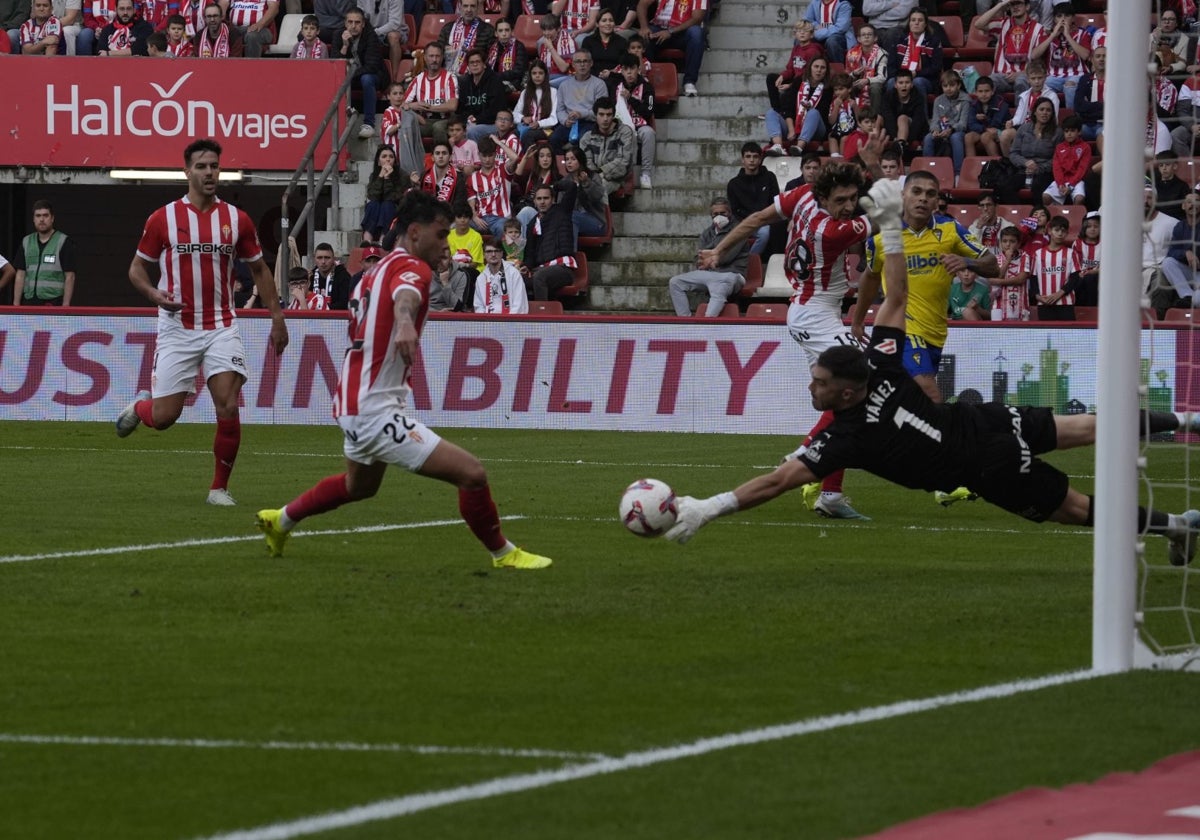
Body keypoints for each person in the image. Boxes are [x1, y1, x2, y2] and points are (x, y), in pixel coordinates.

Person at [664, 178, 1200, 571]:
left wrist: (709, 507)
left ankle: (1174, 526)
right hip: (983, 420)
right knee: (1088, 427)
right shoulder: (883, 367)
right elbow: (895, 296)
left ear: (846, 390)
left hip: (986, 466)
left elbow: (777, 481)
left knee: (1078, 509)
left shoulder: (846, 436)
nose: (813, 386)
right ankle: (1189, 419)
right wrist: (893, 226)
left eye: (820, 382)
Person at [255, 191, 552, 571]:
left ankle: (279, 521)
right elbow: (407, 295)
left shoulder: (373, 272)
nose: (446, 245)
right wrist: (407, 323)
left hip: (354, 398)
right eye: (441, 235)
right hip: (372, 408)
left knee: (359, 486)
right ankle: (503, 553)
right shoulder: (414, 268)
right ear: (415, 232)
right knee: (472, 474)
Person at [700, 157, 891, 521]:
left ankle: (831, 494)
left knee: (843, 403)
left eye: (853, 198)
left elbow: (756, 219)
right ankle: (804, 455)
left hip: (810, 311)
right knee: (869, 379)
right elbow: (890, 216)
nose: (849, 206)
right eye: (841, 200)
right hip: (815, 314)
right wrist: (884, 175)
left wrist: (718, 250)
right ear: (824, 195)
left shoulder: (801, 195)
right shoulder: (833, 230)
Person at [117, 139, 289, 507]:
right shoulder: (163, 218)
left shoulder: (235, 219)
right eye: (202, 166)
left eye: (214, 166)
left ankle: (218, 489)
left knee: (227, 404)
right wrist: (153, 294)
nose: (210, 172)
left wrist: (277, 317)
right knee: (164, 418)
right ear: (187, 172)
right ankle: (140, 409)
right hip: (177, 328)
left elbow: (259, 269)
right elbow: (136, 269)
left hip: (220, 325)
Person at [853, 169, 997, 408]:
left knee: (909, 401)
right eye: (916, 192)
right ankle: (948, 443)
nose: (923, 198)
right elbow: (870, 277)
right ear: (903, 196)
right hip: (901, 328)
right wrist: (858, 321)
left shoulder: (950, 231)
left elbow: (993, 266)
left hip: (935, 332)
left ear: (937, 201)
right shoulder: (882, 239)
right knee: (932, 395)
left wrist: (967, 261)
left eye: (930, 194)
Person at [667, 197, 749, 317]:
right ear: (711, 215)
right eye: (715, 214)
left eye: (723, 213)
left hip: (731, 274)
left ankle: (705, 325)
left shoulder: (739, 231)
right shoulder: (707, 233)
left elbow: (726, 258)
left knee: (718, 293)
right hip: (709, 273)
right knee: (675, 282)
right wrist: (706, 258)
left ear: (729, 213)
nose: (719, 216)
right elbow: (698, 258)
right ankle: (685, 322)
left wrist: (709, 254)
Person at [396, 40, 458, 161]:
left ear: (442, 58)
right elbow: (403, 105)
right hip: (424, 121)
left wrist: (428, 107)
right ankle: (412, 163)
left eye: (437, 56)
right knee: (408, 127)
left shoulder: (449, 77)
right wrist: (414, 105)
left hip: (444, 120)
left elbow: (452, 105)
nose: (434, 59)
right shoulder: (418, 79)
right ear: (424, 57)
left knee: (438, 128)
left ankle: (442, 163)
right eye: (431, 56)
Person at [521, 181, 578, 300]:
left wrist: (553, 186)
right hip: (541, 268)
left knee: (540, 277)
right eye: (539, 198)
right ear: (534, 202)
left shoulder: (562, 211)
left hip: (563, 268)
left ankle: (542, 317)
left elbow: (571, 186)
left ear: (553, 200)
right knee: (515, 279)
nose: (542, 202)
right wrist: (526, 265)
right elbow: (530, 253)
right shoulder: (532, 224)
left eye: (546, 198)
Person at [635, 0, 705, 97]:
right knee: (644, 37)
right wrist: (644, 27)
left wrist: (670, 31)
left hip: (683, 33)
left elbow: (697, 18)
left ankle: (689, 81)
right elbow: (642, 4)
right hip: (659, 27)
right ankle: (644, 79)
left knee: (697, 33)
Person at [12, 200, 76, 307]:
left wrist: (65, 306)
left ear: (52, 218)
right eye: (38, 216)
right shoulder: (26, 241)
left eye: (45, 215)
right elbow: (20, 275)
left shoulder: (63, 242)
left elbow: (70, 276)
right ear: (33, 219)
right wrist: (16, 304)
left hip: (54, 303)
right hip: (29, 302)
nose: (41, 219)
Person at [973, 0, 1044, 96]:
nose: (1015, 7)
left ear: (1027, 6)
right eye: (1012, 4)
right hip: (1001, 75)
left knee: (1021, 81)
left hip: (1024, 74)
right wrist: (1001, 4)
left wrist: (1021, 73)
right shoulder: (1003, 24)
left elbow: (1039, 60)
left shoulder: (1038, 28)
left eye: (1019, 3)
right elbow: (978, 24)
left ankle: (1021, 111)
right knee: (988, 83)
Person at [1028, 1, 1090, 109]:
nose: (1063, 19)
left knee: (1070, 87)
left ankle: (1072, 121)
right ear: (1054, 19)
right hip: (1053, 76)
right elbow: (1034, 56)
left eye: (1067, 16)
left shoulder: (1083, 34)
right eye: (1059, 16)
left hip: (1077, 75)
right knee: (1040, 86)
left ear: (1073, 18)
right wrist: (1052, 36)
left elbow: (1085, 55)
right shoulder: (1048, 35)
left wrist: (1067, 35)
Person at [767, 56, 832, 156]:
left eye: (822, 68)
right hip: (794, 125)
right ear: (810, 68)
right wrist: (791, 129)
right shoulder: (798, 82)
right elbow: (788, 108)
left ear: (826, 71)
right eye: (816, 66)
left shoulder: (828, 89)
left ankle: (799, 147)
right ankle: (778, 146)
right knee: (771, 113)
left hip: (816, 129)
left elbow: (823, 114)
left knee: (813, 112)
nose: (819, 70)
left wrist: (809, 106)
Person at [340, 7, 386, 139]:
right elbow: (334, 64)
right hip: (351, 76)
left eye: (357, 22)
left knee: (366, 79)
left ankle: (369, 124)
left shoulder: (371, 36)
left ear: (363, 24)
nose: (353, 26)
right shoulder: (339, 34)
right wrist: (344, 46)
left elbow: (371, 66)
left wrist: (349, 75)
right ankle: (338, 122)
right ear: (345, 23)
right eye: (350, 22)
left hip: (374, 76)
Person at [549, 48, 608, 151]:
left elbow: (602, 112)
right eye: (578, 62)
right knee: (554, 139)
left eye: (585, 61)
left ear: (591, 63)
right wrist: (565, 120)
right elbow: (560, 109)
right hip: (569, 122)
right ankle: (560, 166)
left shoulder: (599, 84)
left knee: (583, 139)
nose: (582, 65)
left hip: (590, 122)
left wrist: (582, 114)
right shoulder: (564, 85)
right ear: (573, 64)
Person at [767, 20, 825, 120]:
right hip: (795, 79)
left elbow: (810, 74)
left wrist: (790, 85)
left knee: (792, 88)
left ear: (811, 35)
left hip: (805, 82)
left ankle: (786, 114)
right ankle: (777, 110)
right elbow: (790, 68)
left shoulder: (813, 50)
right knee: (771, 78)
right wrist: (782, 76)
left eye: (805, 31)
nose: (802, 33)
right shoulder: (796, 48)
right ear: (795, 34)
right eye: (799, 30)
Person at [578, 96, 636, 195]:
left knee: (599, 188)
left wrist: (601, 174)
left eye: (609, 115)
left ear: (613, 115)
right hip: (593, 178)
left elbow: (623, 162)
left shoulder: (624, 132)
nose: (605, 119)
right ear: (595, 115)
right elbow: (586, 162)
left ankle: (597, 211)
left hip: (616, 179)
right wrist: (594, 177)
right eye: (601, 114)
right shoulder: (587, 138)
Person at [467, 136, 522, 239]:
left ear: (495, 154)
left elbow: (515, 158)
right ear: (479, 155)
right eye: (484, 156)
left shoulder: (503, 170)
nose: (487, 159)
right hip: (481, 219)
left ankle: (505, 255)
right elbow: (471, 204)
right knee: (457, 226)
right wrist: (474, 217)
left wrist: (499, 143)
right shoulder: (472, 178)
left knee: (504, 229)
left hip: (500, 219)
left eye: (490, 155)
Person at [1008, 96, 1060, 203]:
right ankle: (1017, 212)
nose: (1045, 113)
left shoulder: (1058, 132)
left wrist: (1038, 168)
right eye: (1041, 109)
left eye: (1048, 110)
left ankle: (1037, 215)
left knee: (1038, 187)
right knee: (1005, 186)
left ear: (1052, 114)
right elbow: (1013, 153)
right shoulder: (1024, 129)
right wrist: (1025, 163)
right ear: (1035, 112)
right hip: (1023, 169)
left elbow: (1057, 159)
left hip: (1045, 172)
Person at [616, 51, 656, 189]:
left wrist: (631, 99)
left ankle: (645, 173)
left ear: (638, 69)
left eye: (632, 69)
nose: (629, 73)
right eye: (625, 69)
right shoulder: (615, 86)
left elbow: (649, 111)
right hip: (620, 126)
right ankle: (628, 173)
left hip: (640, 125)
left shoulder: (647, 87)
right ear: (621, 71)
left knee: (649, 133)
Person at [886, 7, 942, 102]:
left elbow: (936, 67)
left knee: (917, 82)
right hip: (901, 77)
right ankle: (893, 116)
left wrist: (917, 73)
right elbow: (891, 65)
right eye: (913, 20)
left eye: (920, 20)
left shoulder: (933, 41)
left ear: (925, 24)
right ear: (909, 23)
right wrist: (901, 76)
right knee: (891, 82)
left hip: (925, 79)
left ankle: (920, 116)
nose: (916, 23)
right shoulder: (899, 40)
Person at [362, 145, 411, 245]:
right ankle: (367, 238)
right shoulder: (374, 175)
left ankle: (384, 239)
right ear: (379, 162)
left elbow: (393, 198)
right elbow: (372, 196)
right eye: (384, 156)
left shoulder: (403, 176)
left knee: (387, 204)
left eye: (391, 157)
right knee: (373, 204)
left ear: (395, 161)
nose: (388, 159)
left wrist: (387, 178)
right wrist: (380, 177)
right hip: (377, 213)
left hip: (395, 211)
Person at [923, 69, 970, 175]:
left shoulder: (965, 100)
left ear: (958, 85)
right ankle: (928, 171)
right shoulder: (938, 100)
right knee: (928, 138)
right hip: (941, 129)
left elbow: (963, 123)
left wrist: (951, 129)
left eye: (952, 85)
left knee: (955, 138)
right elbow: (935, 119)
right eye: (945, 86)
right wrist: (935, 130)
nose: (948, 89)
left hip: (957, 130)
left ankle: (958, 173)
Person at [458, 47, 507, 143]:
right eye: (472, 62)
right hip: (472, 121)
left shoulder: (495, 81)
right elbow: (461, 107)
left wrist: (477, 119)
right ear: (468, 66)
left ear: (484, 64)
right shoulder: (465, 82)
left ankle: (473, 158)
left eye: (478, 62)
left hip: (493, 123)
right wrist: (468, 117)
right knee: (455, 129)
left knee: (472, 131)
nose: (475, 65)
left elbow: (495, 111)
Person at [561, 146, 608, 245]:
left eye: (573, 159)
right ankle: (566, 256)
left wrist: (587, 183)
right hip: (572, 220)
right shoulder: (564, 182)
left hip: (596, 222)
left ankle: (570, 257)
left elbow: (597, 196)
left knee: (571, 217)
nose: (569, 162)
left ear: (581, 161)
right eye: (567, 159)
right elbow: (561, 206)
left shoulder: (593, 177)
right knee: (566, 219)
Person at [1026, 215, 1077, 307]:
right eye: (1057, 230)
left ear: (1067, 233)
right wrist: (1038, 296)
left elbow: (1075, 278)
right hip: (1043, 302)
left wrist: (1059, 293)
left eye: (1063, 231)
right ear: (1049, 231)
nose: (1060, 233)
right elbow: (1033, 278)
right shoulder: (1038, 254)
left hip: (1066, 303)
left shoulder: (1071, 253)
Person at [1160, 195, 1200, 310]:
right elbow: (1171, 252)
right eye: (1189, 202)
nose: (1193, 205)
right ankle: (1187, 295)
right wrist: (1186, 253)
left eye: (1197, 201)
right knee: (1168, 262)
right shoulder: (1180, 226)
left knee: (1198, 298)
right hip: (1188, 271)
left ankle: (1190, 301)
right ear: (1183, 206)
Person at [880, 67, 928, 158]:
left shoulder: (918, 97)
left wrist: (908, 139)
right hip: (892, 129)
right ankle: (874, 147)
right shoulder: (888, 96)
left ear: (912, 85)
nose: (904, 86)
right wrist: (894, 136)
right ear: (895, 85)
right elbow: (888, 117)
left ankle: (900, 146)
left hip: (912, 130)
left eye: (907, 82)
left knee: (902, 117)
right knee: (879, 118)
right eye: (901, 83)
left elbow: (919, 121)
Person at [1044, 113, 1089, 207]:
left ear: (1079, 132)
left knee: (1079, 199)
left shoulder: (1085, 147)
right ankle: (1055, 218)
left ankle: (1076, 220)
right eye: (1066, 131)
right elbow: (1057, 168)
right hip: (1061, 180)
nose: (1069, 134)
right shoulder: (1059, 147)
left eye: (1072, 131)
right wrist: (1060, 183)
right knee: (1046, 196)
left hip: (1077, 181)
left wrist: (1071, 185)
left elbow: (1082, 169)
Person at [474, 241, 529, 313]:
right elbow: (479, 306)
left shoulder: (513, 274)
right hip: (488, 322)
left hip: (511, 321)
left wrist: (508, 322)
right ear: (484, 255)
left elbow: (519, 304)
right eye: (489, 251)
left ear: (502, 253)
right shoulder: (481, 279)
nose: (493, 254)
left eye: (496, 251)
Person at [515, 59, 559, 147]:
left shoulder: (553, 92)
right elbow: (515, 113)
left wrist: (539, 123)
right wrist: (523, 118)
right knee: (513, 133)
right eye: (534, 73)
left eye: (540, 73)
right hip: (527, 126)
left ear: (545, 75)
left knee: (528, 135)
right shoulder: (525, 92)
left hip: (546, 129)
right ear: (530, 75)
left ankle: (531, 160)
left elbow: (554, 118)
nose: (537, 76)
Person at [844, 22, 888, 114]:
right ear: (858, 39)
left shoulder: (882, 54)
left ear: (875, 38)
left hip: (874, 83)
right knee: (844, 86)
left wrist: (867, 81)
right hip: (857, 82)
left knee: (875, 87)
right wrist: (854, 74)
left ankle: (874, 117)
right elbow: (846, 77)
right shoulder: (851, 53)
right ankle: (850, 117)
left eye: (869, 34)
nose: (866, 37)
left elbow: (882, 77)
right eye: (863, 35)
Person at [440, 0, 492, 75]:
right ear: (460, 7)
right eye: (465, 6)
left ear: (477, 8)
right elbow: (439, 51)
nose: (469, 10)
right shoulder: (447, 28)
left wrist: (475, 53)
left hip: (476, 75)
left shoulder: (488, 30)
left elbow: (491, 57)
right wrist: (446, 51)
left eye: (472, 6)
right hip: (448, 74)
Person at [964, 76, 1009, 157]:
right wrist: (984, 128)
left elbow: (996, 124)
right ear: (975, 92)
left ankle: (997, 166)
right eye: (980, 91)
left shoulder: (1001, 104)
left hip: (1001, 131)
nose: (983, 94)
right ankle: (972, 167)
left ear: (992, 91)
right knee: (968, 137)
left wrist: (985, 119)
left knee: (985, 137)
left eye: (987, 91)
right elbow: (971, 124)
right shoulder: (974, 104)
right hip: (984, 129)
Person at [582, 7, 626, 89]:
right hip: (592, 79)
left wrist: (611, 73)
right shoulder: (588, 41)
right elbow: (585, 63)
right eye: (604, 20)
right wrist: (599, 75)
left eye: (611, 20)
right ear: (597, 24)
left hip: (615, 79)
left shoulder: (622, 42)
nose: (608, 23)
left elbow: (623, 65)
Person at [420, 141, 467, 206]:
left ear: (450, 157)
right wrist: (416, 186)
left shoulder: (459, 177)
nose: (441, 156)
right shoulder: (424, 175)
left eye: (444, 153)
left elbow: (459, 203)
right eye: (437, 153)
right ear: (432, 158)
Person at [487, 18, 527, 93]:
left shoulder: (519, 46)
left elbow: (518, 71)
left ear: (512, 32)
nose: (504, 33)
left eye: (507, 30)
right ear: (496, 33)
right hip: (494, 81)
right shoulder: (492, 47)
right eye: (500, 31)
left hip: (513, 82)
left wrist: (497, 76)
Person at [363, 0, 403, 74]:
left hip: (394, 30)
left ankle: (394, 77)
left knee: (393, 37)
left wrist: (375, 33)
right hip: (371, 30)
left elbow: (395, 23)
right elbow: (360, 17)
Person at [537, 12, 576, 87]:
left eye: (550, 30)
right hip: (548, 76)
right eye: (544, 30)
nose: (546, 33)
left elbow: (563, 68)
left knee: (545, 85)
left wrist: (551, 48)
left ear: (558, 29)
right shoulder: (543, 43)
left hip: (566, 77)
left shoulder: (568, 42)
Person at [310, 242, 352, 310]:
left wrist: (323, 309)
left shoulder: (344, 276)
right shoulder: (310, 276)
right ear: (314, 259)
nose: (323, 261)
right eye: (319, 258)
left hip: (337, 318)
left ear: (333, 259)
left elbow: (344, 304)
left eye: (327, 258)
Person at [826, 73, 859, 158]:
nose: (838, 92)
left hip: (851, 130)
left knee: (844, 139)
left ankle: (843, 158)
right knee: (831, 137)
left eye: (841, 89)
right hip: (837, 129)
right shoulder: (834, 103)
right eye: (835, 90)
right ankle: (835, 157)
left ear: (849, 89)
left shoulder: (855, 101)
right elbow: (831, 121)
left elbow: (860, 120)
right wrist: (836, 107)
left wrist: (855, 107)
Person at [1153, 150, 1191, 221]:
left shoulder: (1182, 186)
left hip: (1175, 221)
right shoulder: (1154, 185)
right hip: (1156, 222)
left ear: (1175, 166)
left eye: (1167, 165)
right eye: (1161, 165)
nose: (1164, 168)